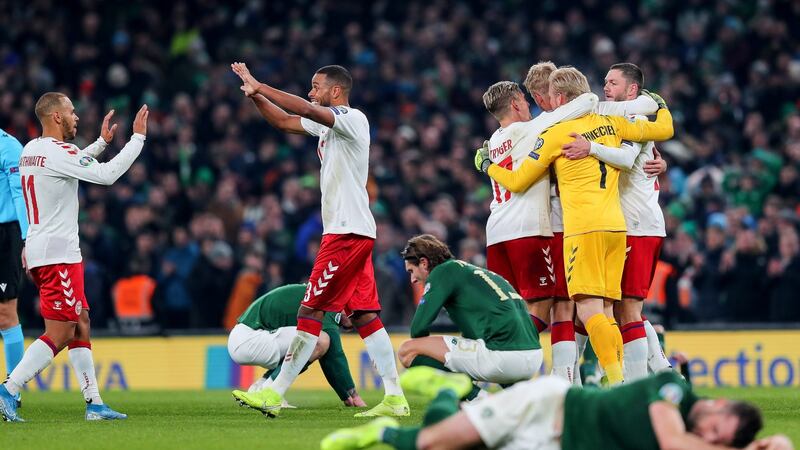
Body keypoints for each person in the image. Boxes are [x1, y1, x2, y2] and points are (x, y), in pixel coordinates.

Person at [229, 62, 407, 418]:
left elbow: (307, 109)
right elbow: (284, 121)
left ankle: (274, 392)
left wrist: (262, 85)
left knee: (310, 311)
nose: (311, 91)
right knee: (365, 316)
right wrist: (255, 97)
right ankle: (394, 397)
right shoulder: (329, 128)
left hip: (345, 232)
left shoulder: (352, 119)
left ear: (336, 91)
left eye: (316, 85)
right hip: (354, 231)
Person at [476, 67, 674, 385]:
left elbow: (517, 179)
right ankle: (623, 379)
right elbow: (660, 131)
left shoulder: (554, 132)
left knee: (585, 309)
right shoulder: (609, 120)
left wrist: (487, 165)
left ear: (561, 98)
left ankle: (613, 378)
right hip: (616, 227)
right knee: (610, 309)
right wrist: (659, 105)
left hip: (579, 228)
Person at [0, 93, 148, 422]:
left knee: (80, 322)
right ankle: (9, 388)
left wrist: (100, 142)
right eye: (70, 111)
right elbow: (106, 175)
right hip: (58, 254)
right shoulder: (60, 152)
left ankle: (94, 403)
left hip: (40, 249)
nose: (76, 116)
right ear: (56, 117)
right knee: (63, 330)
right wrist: (138, 138)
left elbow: (69, 166)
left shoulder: (31, 150)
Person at [321, 367, 793, 450]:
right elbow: (672, 442)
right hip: (546, 405)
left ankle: (450, 393)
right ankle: (447, 391)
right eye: (717, 427)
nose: (708, 437)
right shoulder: (674, 391)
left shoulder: (701, 444)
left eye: (719, 441)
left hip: (552, 444)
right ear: (719, 405)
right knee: (427, 444)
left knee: (448, 447)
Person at [478, 78, 596, 383]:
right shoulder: (530, 130)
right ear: (517, 103)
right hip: (528, 230)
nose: (530, 106)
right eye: (526, 101)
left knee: (515, 308)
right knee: (549, 307)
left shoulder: (493, 141)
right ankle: (482, 364)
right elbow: (586, 102)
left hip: (497, 232)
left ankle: (506, 371)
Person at [561, 62, 673, 379]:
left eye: (613, 83)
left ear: (632, 90)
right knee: (610, 307)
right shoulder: (616, 120)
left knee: (625, 309)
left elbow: (626, 158)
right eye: (605, 82)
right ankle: (622, 372)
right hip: (627, 224)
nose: (606, 88)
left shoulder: (632, 118)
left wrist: (589, 147)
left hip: (637, 225)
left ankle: (644, 376)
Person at [396, 234, 541, 386]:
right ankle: (513, 395)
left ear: (424, 263)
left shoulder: (443, 272)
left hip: (502, 358)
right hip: (533, 357)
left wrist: (433, 356)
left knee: (407, 351)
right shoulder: (476, 273)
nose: (412, 279)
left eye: (411, 271)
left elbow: (417, 329)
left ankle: (475, 399)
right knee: (468, 346)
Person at [229, 283, 366, 408]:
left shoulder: (321, 294)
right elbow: (334, 355)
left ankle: (261, 387)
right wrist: (353, 396)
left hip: (244, 336)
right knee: (319, 340)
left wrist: (345, 395)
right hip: (251, 338)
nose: (357, 323)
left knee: (308, 343)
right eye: (358, 315)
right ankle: (270, 390)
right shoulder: (330, 302)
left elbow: (329, 357)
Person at [0, 128, 28, 407]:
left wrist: (26, 238)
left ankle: (12, 389)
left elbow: (20, 195)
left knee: (5, 313)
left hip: (4, 236)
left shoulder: (8, 147)